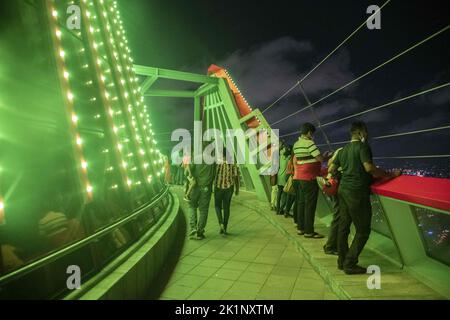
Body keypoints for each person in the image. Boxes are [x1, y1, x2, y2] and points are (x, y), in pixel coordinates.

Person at [330, 121, 401, 274]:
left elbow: (331, 168)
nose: (367, 134)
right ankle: (350, 263)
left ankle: (342, 261)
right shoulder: (362, 147)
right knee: (363, 230)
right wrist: (389, 174)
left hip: (343, 191)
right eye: (366, 131)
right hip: (357, 192)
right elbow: (369, 168)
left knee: (343, 228)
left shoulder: (343, 150)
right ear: (360, 132)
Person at [293, 123, 326, 239]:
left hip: (300, 178)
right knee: (310, 205)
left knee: (302, 203)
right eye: (312, 133)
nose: (313, 135)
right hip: (310, 178)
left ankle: (300, 228)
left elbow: (303, 159)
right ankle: (309, 231)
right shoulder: (309, 143)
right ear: (309, 133)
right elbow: (320, 158)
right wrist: (326, 156)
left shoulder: (296, 144)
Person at [187, 146, 216, 240]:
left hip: (195, 186)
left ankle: (193, 228)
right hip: (206, 187)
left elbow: (189, 173)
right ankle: (200, 232)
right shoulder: (212, 161)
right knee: (203, 210)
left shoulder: (196, 158)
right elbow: (214, 174)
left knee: (192, 206)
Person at [321, 147, 343, 255]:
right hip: (337, 187)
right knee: (338, 216)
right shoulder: (343, 152)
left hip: (331, 186)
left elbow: (329, 164)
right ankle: (330, 246)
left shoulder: (339, 151)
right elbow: (331, 168)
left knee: (337, 216)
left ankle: (332, 245)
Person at [214, 148, 240, 235]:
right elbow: (236, 176)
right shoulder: (232, 162)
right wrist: (237, 189)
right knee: (226, 208)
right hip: (229, 188)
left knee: (217, 206)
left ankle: (220, 222)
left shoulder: (217, 162)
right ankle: (225, 227)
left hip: (218, 187)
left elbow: (213, 174)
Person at [276, 145, 291, 215]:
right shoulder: (289, 158)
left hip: (279, 177)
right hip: (285, 178)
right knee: (287, 195)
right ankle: (282, 209)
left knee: (279, 194)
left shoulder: (280, 157)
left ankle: (277, 209)